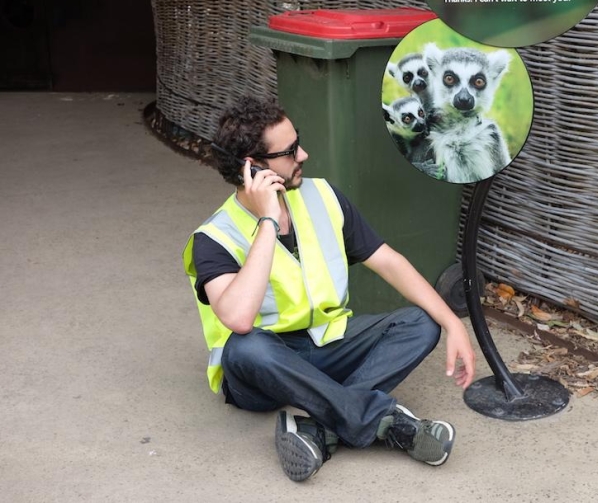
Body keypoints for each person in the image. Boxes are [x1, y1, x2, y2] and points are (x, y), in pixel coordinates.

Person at [182, 96, 476, 482]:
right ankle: (383, 422)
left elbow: (388, 261)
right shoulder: (214, 237)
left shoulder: (323, 197)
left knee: (421, 323)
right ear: (254, 168)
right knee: (247, 346)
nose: (303, 154)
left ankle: (318, 429)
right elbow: (237, 318)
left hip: (327, 342)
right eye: (289, 152)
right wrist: (268, 222)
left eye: (298, 141)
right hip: (262, 369)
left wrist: (453, 324)